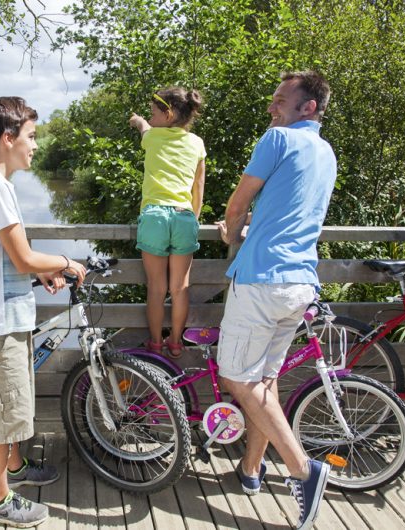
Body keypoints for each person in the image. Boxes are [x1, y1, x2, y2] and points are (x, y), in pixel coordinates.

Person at [216, 70, 336, 530]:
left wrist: (230, 231)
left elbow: (236, 204)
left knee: (237, 378)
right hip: (300, 284)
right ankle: (250, 468)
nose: (273, 107)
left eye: (281, 99)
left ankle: (304, 471)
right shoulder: (326, 152)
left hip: (263, 280)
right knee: (265, 380)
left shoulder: (277, 139)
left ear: (307, 106)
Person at [0, 96, 87, 527]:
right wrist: (66, 264)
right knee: (1, 416)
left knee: (10, 408)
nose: (35, 145)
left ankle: (15, 470)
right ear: (8, 138)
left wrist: (41, 273)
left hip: (2, 314)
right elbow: (22, 258)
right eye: (31, 137)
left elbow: (10, 260)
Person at [128, 87, 206, 358]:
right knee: (180, 287)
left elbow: (143, 128)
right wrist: (193, 218)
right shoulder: (196, 143)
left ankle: (155, 343)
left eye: (153, 112)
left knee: (157, 287)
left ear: (168, 113)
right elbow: (198, 186)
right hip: (184, 216)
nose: (150, 117)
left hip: (154, 217)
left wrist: (138, 120)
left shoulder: (151, 138)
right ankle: (175, 342)